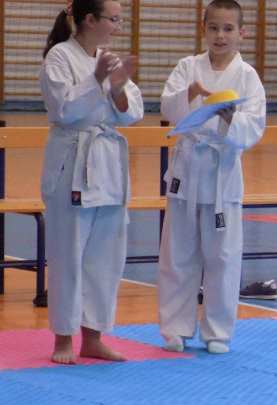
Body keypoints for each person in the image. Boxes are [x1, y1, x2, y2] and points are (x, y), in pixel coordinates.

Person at [157, 0, 266, 354]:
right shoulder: (187, 67)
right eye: (214, 28)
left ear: (242, 33)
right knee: (178, 254)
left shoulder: (247, 76)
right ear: (204, 29)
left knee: (223, 257)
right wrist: (190, 93)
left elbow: (255, 127)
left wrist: (231, 117)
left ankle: (218, 332)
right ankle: (175, 328)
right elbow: (167, 108)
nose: (221, 35)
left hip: (223, 174)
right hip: (187, 170)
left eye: (228, 28)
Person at [40, 0, 144, 364]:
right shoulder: (59, 57)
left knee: (105, 257)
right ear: (89, 19)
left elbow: (132, 113)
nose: (118, 25)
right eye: (113, 19)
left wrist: (117, 87)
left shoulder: (108, 59)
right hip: (72, 161)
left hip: (108, 164)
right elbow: (64, 109)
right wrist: (96, 79)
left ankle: (94, 337)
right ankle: (63, 339)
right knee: (68, 254)